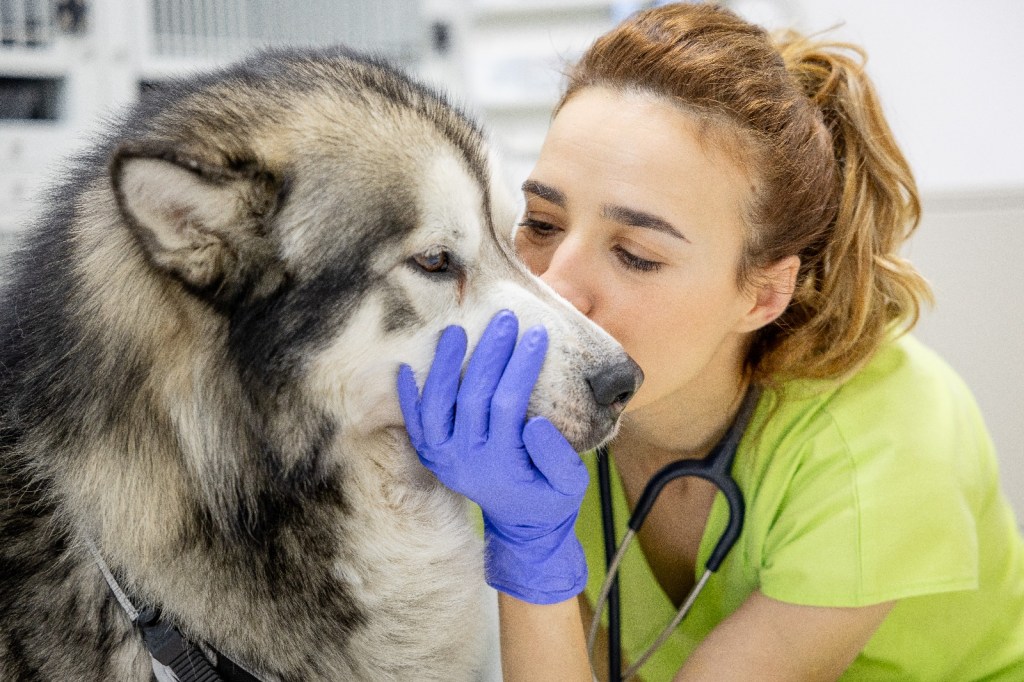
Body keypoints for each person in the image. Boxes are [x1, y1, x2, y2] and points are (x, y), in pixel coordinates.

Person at [396, 3, 1024, 680]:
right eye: (543, 223)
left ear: (762, 294)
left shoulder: (883, 444)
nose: (554, 290)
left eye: (635, 254)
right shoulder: (540, 409)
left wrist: (530, 555)